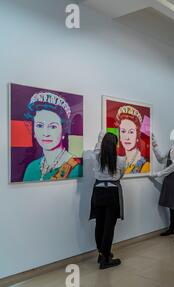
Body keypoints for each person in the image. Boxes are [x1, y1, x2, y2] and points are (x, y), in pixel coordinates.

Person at [23, 92, 82, 181]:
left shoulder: (76, 168)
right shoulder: (31, 167)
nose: (45, 133)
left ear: (63, 130)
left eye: (53, 126)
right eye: (39, 125)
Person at [90, 131, 125, 269]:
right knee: (109, 227)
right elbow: (121, 174)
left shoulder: (95, 157)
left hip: (98, 192)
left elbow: (97, 148)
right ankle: (105, 259)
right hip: (112, 192)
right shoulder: (120, 160)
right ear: (115, 145)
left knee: (100, 224)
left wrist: (101, 136)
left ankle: (101, 253)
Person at [150, 129, 174, 242]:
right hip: (169, 178)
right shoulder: (173, 148)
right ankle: (173, 228)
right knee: (172, 203)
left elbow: (173, 167)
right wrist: (154, 142)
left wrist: (158, 174)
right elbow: (160, 157)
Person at [116, 105, 150, 174]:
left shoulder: (145, 165)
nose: (127, 137)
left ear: (137, 135)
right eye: (123, 131)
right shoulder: (118, 160)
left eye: (131, 132)